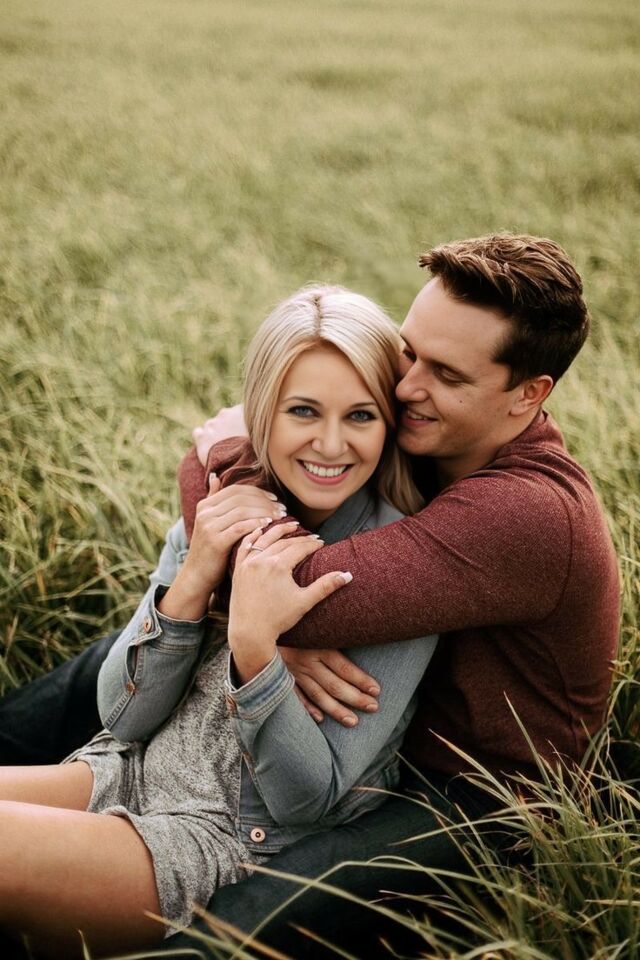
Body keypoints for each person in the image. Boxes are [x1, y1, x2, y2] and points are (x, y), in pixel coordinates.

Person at [0, 234, 619, 958]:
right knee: (145, 644)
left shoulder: (527, 512)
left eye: (446, 373)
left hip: (470, 799)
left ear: (528, 395)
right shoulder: (419, 436)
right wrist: (220, 522)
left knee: (234, 931)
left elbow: (308, 598)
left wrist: (225, 503)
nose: (407, 388)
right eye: (409, 354)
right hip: (244, 751)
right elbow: (246, 497)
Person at [0, 285, 438, 957]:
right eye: (303, 410)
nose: (331, 443)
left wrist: (254, 647)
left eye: (361, 415)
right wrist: (197, 575)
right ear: (262, 412)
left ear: (388, 424)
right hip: (126, 774)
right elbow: (123, 717)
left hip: (221, 840)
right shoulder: (227, 506)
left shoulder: (399, 567)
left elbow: (306, 799)